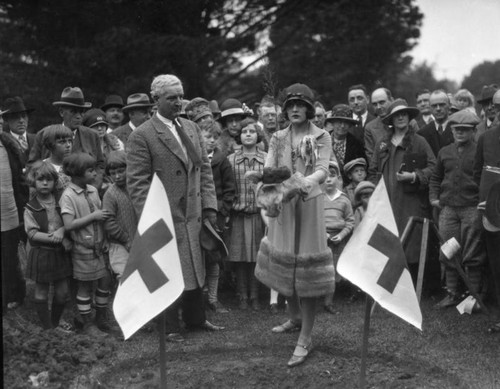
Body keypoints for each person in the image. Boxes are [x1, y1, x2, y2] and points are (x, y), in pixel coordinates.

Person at [127, 74, 223, 343]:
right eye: (172, 98)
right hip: (165, 216)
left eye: (181, 96)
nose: (179, 102)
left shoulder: (191, 128)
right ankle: (169, 326)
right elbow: (137, 184)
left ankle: (196, 318)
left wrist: (210, 208)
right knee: (169, 268)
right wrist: (151, 219)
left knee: (194, 265)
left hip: (193, 213)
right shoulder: (142, 135)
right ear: (155, 100)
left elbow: (203, 170)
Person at [254, 83, 334, 367]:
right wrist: (269, 189)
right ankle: (294, 316)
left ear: (310, 109)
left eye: (301, 105)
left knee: (308, 269)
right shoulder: (277, 137)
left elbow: (323, 170)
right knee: (284, 261)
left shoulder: (321, 135)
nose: (295, 109)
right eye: (290, 105)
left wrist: (302, 182)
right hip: (284, 207)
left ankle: (306, 336)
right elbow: (272, 168)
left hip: (309, 205)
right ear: (285, 109)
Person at [368, 99, 436, 270]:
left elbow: (434, 167)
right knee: (388, 249)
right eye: (397, 115)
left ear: (409, 117)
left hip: (411, 204)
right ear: (391, 119)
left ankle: (414, 289)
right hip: (387, 204)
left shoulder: (419, 141)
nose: (401, 118)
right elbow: (373, 171)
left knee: (412, 247)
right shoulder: (382, 143)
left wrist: (414, 176)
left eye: (404, 114)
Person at [429, 110, 486, 309]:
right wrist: (434, 198)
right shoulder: (444, 152)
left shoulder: (480, 150)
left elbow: (486, 178)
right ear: (451, 130)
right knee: (448, 249)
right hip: (449, 210)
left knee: (472, 252)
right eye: (456, 130)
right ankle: (452, 293)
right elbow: (436, 178)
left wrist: (482, 201)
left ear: (473, 131)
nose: (460, 133)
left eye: (464, 130)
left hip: (472, 208)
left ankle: (473, 297)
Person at [59, 152, 113, 336]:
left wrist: (105, 239)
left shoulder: (93, 190)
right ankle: (88, 323)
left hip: (99, 247)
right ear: (76, 173)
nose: (95, 174)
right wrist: (93, 216)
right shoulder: (68, 196)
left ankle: (101, 317)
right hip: (83, 248)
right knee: (85, 287)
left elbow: (101, 221)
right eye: (90, 170)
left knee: (104, 281)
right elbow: (68, 225)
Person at [24, 161, 72, 330]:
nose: (45, 183)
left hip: (59, 253)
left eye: (49, 180)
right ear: (33, 182)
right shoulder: (31, 207)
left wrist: (63, 232)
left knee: (62, 292)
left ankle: (56, 321)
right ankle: (48, 327)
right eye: (40, 180)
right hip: (42, 253)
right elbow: (32, 234)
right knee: (41, 291)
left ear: (54, 182)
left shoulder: (62, 201)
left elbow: (70, 221)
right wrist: (55, 236)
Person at [28, 87, 105, 190]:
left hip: (87, 192)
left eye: (81, 112)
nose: (78, 116)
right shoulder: (44, 134)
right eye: (73, 112)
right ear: (61, 112)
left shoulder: (91, 135)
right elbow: (32, 166)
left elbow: (100, 165)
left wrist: (93, 187)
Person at [227, 117, 266, 311]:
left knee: (257, 257)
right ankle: (242, 295)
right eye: (244, 132)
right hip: (239, 215)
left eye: (251, 131)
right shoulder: (231, 160)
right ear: (239, 136)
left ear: (258, 135)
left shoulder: (266, 158)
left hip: (259, 215)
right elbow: (227, 186)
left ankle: (256, 295)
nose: (248, 134)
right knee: (241, 257)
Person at [200, 120, 235, 313]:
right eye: (208, 137)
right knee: (198, 258)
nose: (212, 141)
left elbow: (230, 190)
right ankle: (199, 298)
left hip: (216, 216)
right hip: (197, 214)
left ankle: (213, 298)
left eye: (215, 137)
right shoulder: (194, 158)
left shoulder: (222, 160)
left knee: (214, 257)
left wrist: (222, 211)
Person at [474, 89, 500, 332]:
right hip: (493, 214)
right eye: (498, 107)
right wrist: (485, 199)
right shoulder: (486, 138)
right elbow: (477, 173)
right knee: (497, 264)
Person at [1, 129, 28, 312]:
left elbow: (19, 179)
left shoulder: (8, 146)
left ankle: (13, 294)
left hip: (8, 209)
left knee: (9, 256)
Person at [322, 161, 354, 314]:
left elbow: (350, 222)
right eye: (325, 176)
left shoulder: (344, 199)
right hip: (320, 239)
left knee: (334, 271)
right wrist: (323, 234)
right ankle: (314, 301)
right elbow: (312, 220)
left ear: (338, 179)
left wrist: (341, 235)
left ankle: (328, 302)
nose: (328, 179)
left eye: (332, 176)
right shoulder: (317, 199)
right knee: (320, 270)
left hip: (338, 240)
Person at [102, 151, 137, 280]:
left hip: (140, 239)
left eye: (121, 171)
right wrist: (125, 239)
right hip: (120, 244)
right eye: (112, 173)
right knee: (125, 277)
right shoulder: (110, 194)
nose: (117, 176)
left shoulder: (137, 188)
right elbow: (108, 222)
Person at [325, 104, 366, 185]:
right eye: (339, 122)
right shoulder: (323, 141)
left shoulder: (356, 143)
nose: (342, 126)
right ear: (332, 123)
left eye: (346, 122)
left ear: (350, 124)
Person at [41, 125, 73, 201]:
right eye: (62, 142)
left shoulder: (75, 165)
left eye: (70, 141)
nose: (68, 145)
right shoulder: (42, 168)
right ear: (50, 145)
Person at [418, 90, 454, 157]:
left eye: (442, 105)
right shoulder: (422, 133)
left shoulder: (458, 129)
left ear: (450, 106)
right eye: (434, 106)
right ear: (430, 108)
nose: (438, 109)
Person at [1, 96, 35, 162]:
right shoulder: (4, 143)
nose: (21, 120)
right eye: (15, 117)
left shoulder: (37, 140)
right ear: (7, 120)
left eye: (24, 116)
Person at [364, 88, 394, 161]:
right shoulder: (370, 128)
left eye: (382, 102)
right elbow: (371, 157)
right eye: (374, 104)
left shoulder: (408, 122)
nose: (378, 107)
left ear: (392, 100)